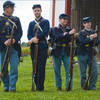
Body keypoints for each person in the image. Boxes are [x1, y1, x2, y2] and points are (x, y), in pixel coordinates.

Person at [0, 1, 23, 92]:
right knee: (3, 68)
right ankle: (6, 86)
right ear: (6, 8)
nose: (13, 9)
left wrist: (14, 40)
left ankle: (12, 87)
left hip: (14, 47)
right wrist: (4, 41)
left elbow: (20, 32)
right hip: (3, 47)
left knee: (14, 68)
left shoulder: (16, 19)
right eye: (11, 7)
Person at [27, 4, 50, 91]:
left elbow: (45, 32)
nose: (37, 12)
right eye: (35, 10)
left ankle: (40, 87)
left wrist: (36, 38)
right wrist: (32, 39)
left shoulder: (45, 22)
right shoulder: (31, 23)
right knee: (35, 66)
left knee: (41, 67)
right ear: (33, 12)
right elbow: (28, 34)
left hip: (42, 46)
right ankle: (36, 84)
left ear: (41, 11)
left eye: (38, 10)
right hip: (33, 47)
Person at [50, 13, 75, 91]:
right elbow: (57, 37)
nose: (65, 21)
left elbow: (67, 39)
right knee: (57, 70)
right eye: (63, 19)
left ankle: (69, 86)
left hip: (66, 50)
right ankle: (58, 86)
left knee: (69, 69)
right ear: (60, 20)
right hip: (57, 50)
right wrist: (67, 34)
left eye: (66, 19)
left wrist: (65, 35)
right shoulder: (55, 29)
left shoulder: (68, 28)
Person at [77, 17, 99, 90]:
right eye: (86, 22)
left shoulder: (93, 32)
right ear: (84, 24)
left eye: (89, 22)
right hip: (82, 54)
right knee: (83, 72)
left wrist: (95, 38)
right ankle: (84, 86)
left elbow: (97, 42)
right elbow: (82, 41)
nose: (88, 23)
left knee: (94, 71)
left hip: (91, 54)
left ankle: (92, 86)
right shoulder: (81, 33)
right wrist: (90, 38)